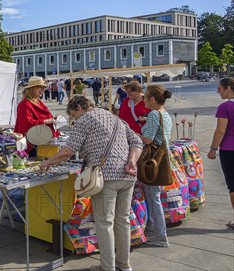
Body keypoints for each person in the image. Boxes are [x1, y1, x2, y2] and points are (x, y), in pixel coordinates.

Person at [41, 95, 142, 271]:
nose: (75, 119)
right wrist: (132, 160)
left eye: (74, 115)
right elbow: (137, 141)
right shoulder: (113, 117)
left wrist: (48, 161)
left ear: (79, 108)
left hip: (107, 176)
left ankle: (107, 267)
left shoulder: (85, 119)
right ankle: (124, 265)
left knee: (105, 223)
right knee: (123, 221)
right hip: (127, 175)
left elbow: (69, 150)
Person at [139, 84, 173, 247]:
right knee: (155, 197)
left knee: (153, 198)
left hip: (152, 161)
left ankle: (160, 236)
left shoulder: (153, 114)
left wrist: (137, 135)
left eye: (145, 97)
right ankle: (153, 230)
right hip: (161, 160)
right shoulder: (164, 114)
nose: (143, 99)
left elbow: (148, 139)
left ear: (152, 99)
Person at [207, 77, 234, 229]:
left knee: (233, 186)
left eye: (220, 88)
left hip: (230, 149)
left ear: (228, 88)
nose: (218, 91)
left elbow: (221, 130)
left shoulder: (225, 107)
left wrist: (213, 148)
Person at [14, 76, 60, 156]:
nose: (43, 90)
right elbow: (26, 123)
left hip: (41, 140)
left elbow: (46, 116)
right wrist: (46, 121)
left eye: (43, 88)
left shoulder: (38, 102)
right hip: (30, 143)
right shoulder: (24, 104)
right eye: (40, 87)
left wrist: (54, 119)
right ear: (32, 89)